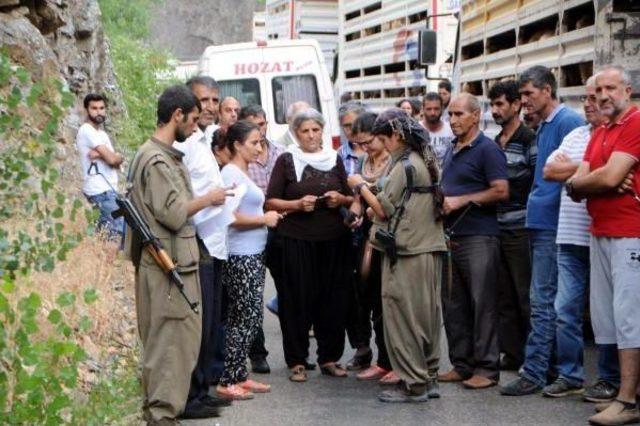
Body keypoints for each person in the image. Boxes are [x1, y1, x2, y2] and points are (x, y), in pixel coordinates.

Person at [127, 85, 225, 424]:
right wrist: (210, 198)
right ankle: (161, 415)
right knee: (170, 345)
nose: (196, 128)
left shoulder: (159, 155)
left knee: (175, 342)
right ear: (177, 115)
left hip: (175, 264)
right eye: (193, 120)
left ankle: (162, 412)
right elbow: (172, 213)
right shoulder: (156, 159)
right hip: (167, 267)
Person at [348, 108, 446, 402]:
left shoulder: (405, 166)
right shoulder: (421, 161)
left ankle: (413, 383)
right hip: (428, 247)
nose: (381, 143)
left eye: (383, 137)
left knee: (404, 317)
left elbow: (382, 208)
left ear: (398, 135)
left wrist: (360, 186)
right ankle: (428, 378)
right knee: (427, 316)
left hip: (407, 251)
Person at [500, 65, 584, 396]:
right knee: (544, 300)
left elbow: (582, 168)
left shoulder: (568, 123)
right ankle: (548, 368)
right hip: (540, 221)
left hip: (554, 223)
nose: (523, 102)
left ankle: (538, 372)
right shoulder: (546, 125)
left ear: (547, 91)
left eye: (528, 94)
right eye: (521, 96)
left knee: (543, 300)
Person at [567, 66, 640, 425]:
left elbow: (608, 176)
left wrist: (594, 181)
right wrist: (591, 183)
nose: (603, 95)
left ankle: (628, 402)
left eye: (611, 88)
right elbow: (579, 182)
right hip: (601, 231)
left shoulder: (635, 123)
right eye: (598, 91)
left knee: (630, 318)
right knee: (607, 319)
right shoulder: (601, 130)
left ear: (628, 90)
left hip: (631, 231)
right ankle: (626, 391)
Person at [541, 75, 620, 401]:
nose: (588, 104)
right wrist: (592, 170)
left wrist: (577, 171)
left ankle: (609, 378)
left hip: (604, 237)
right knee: (565, 310)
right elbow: (549, 171)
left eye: (595, 97)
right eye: (586, 98)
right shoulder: (575, 135)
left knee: (609, 315)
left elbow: (614, 173)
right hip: (570, 238)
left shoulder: (614, 137)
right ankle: (570, 374)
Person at [265, 108, 353, 383]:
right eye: (305, 131)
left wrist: (340, 199)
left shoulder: (335, 159)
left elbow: (351, 197)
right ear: (296, 133)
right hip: (297, 239)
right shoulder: (287, 159)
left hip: (334, 241)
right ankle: (297, 360)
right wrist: (295, 205)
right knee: (296, 300)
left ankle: (329, 357)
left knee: (333, 299)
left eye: (316, 129)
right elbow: (270, 201)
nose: (311, 135)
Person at [438, 93, 509, 390]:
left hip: (479, 236)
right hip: (451, 236)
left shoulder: (487, 149)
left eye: (458, 115)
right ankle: (462, 363)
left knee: (483, 304)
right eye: (450, 115)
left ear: (475, 115)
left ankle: (487, 367)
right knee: (454, 304)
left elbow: (501, 191)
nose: (452, 121)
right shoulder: (453, 148)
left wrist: (460, 200)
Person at [173, 76, 230, 416]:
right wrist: (210, 199)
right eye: (203, 101)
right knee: (198, 321)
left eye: (214, 100)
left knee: (212, 322)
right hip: (197, 240)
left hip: (215, 241)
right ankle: (190, 396)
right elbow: (180, 198)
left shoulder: (204, 138)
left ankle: (204, 387)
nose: (209, 107)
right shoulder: (182, 144)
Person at [216, 121, 283, 400]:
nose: (259, 147)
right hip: (240, 256)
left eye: (260, 142)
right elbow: (229, 218)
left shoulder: (242, 172)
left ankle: (239, 375)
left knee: (246, 316)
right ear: (236, 145)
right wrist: (263, 219)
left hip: (252, 253)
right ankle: (228, 378)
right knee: (245, 317)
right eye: (254, 142)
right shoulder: (231, 174)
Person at [487, 80, 536, 371]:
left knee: (524, 294)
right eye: (492, 105)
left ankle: (533, 357)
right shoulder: (495, 143)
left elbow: (535, 181)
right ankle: (512, 353)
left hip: (520, 227)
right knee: (503, 294)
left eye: (500, 104)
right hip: (496, 227)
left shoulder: (529, 139)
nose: (495, 110)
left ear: (516, 105)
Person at [344, 112, 396, 384]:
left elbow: (384, 204)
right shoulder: (366, 160)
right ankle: (377, 357)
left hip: (386, 234)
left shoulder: (394, 163)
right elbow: (358, 201)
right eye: (360, 143)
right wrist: (355, 212)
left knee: (386, 300)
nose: (365, 148)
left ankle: (390, 361)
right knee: (367, 297)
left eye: (369, 142)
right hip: (366, 233)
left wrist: (362, 188)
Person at [239, 104, 284, 374]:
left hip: (281, 227)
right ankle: (257, 353)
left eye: (264, 124)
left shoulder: (281, 152)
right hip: (253, 229)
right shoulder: (241, 160)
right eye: (255, 126)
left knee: (289, 289)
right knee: (253, 295)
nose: (261, 131)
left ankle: (296, 352)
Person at [76, 93, 125, 240]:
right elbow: (112, 159)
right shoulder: (86, 130)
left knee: (109, 233)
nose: (99, 112)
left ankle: (104, 262)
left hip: (109, 190)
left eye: (102, 108)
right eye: (94, 108)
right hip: (100, 191)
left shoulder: (102, 134)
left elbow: (117, 162)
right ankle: (108, 263)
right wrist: (111, 156)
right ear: (86, 110)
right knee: (114, 234)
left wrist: (102, 155)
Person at [421, 91, 454, 168]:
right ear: (422, 109)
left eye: (436, 109)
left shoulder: (451, 130)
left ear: (442, 109)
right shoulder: (416, 130)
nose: (433, 113)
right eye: (429, 109)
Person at [337, 102, 367, 176]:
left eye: (356, 123)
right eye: (347, 125)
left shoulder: (377, 149)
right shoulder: (340, 155)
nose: (352, 129)